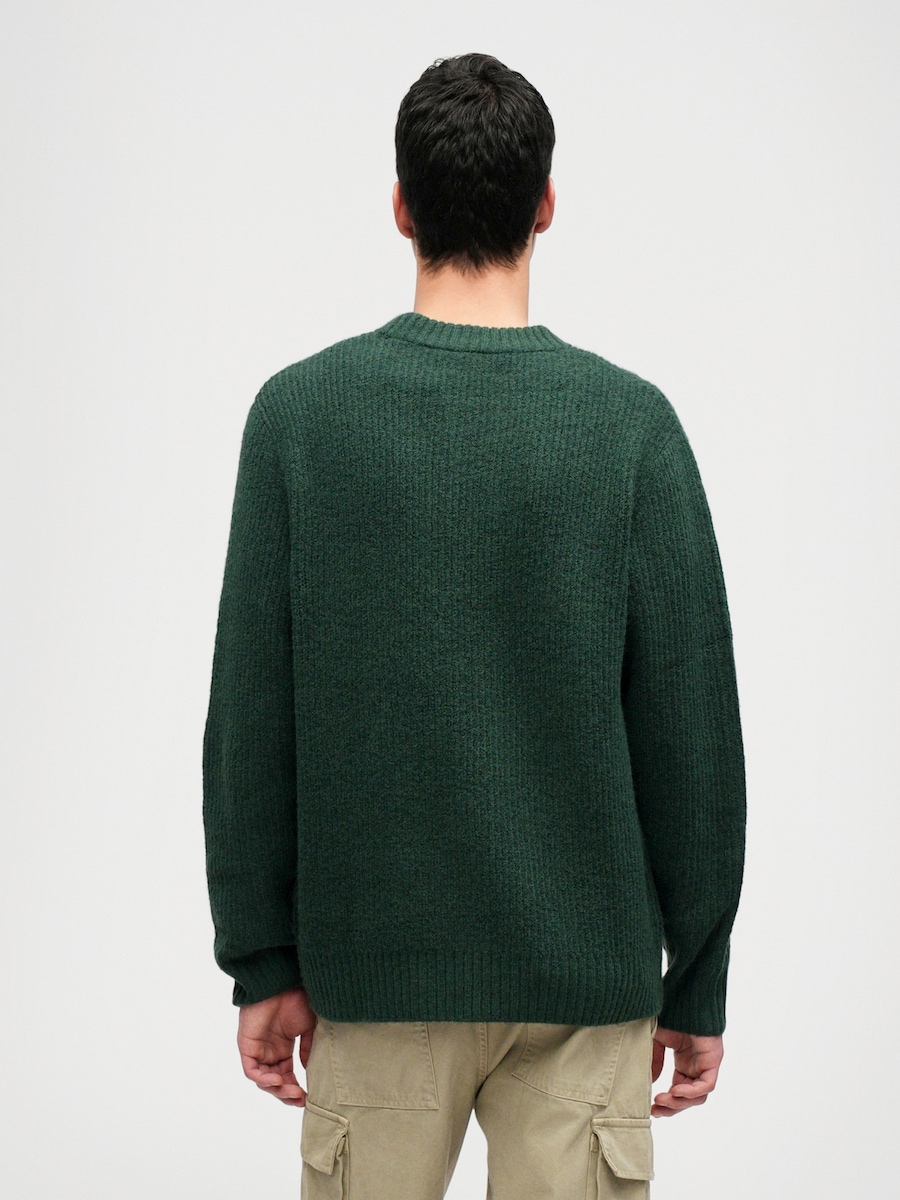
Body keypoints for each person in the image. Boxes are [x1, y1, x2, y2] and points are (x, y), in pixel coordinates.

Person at [202, 51, 746, 1199]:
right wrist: (696, 980)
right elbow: (693, 732)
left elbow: (252, 715)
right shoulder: (629, 427)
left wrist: (263, 960)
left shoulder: (301, 418)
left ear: (401, 206)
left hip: (373, 979)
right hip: (585, 987)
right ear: (546, 205)